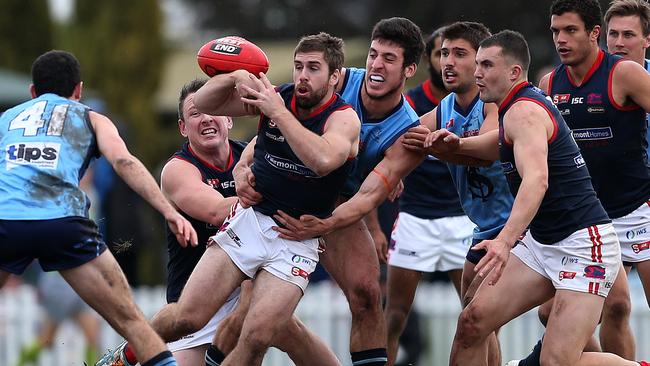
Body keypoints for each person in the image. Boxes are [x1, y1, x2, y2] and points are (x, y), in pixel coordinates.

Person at [104, 32, 360, 366]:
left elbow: (323, 161)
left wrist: (278, 115)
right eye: (298, 67)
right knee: (186, 318)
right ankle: (126, 354)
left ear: (335, 76)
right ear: (183, 127)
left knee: (257, 337)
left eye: (313, 68)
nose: (302, 76)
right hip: (249, 228)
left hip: (293, 242)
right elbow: (207, 103)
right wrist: (235, 74)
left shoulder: (342, 118)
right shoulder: (180, 167)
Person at [428, 29, 649, 366]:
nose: (477, 73)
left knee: (557, 362)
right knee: (472, 323)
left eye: (486, 65)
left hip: (581, 245)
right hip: (544, 243)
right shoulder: (515, 107)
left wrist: (503, 242)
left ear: (514, 72)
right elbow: (499, 145)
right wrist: (456, 146)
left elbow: (536, 181)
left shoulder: (523, 112)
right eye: (477, 65)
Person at [0, 50, 198, 366]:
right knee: (133, 323)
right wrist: (169, 211)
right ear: (78, 90)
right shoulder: (90, 116)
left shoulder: (7, 118)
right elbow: (123, 161)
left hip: (6, 221)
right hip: (62, 222)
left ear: (32, 92)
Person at [509, 1, 650, 364]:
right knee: (563, 311)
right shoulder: (548, 84)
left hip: (637, 209)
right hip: (588, 219)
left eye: (569, 30)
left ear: (592, 34)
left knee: (621, 306)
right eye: (555, 31)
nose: (560, 39)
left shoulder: (626, 73)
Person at [384, 24, 483, 366]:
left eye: (458, 54)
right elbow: (387, 143)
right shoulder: (412, 103)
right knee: (394, 314)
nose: (449, 63)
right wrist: (392, 171)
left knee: (478, 316)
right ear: (429, 58)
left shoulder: (486, 101)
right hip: (415, 217)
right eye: (442, 53)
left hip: (464, 219)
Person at [16, 271, 100, 366]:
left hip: (77, 281)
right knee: (46, 339)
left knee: (92, 337)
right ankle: (20, 362)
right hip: (59, 285)